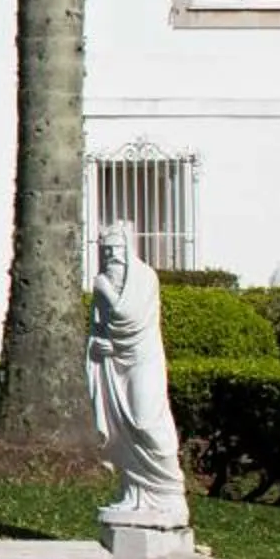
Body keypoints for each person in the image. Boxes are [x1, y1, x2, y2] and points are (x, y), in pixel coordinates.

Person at [88, 221, 191, 530]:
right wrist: (100, 346)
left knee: (147, 421)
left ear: (128, 249)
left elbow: (128, 318)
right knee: (122, 429)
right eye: (106, 251)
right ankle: (135, 494)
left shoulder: (144, 279)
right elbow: (98, 329)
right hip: (115, 365)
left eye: (115, 250)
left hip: (142, 361)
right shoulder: (104, 281)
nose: (111, 257)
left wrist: (104, 289)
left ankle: (170, 494)